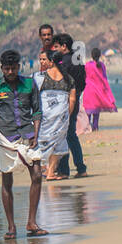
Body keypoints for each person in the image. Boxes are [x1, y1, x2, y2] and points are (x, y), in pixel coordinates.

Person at [0, 49, 45, 239]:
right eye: (7, 69)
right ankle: (11, 227)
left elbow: (37, 111)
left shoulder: (29, 83)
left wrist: (36, 133)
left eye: (13, 68)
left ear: (19, 67)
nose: (10, 72)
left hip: (28, 134)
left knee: (37, 175)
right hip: (5, 136)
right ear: (2, 68)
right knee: (6, 180)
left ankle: (31, 222)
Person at [50, 33, 87, 179]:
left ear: (64, 46)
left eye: (57, 46)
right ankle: (80, 167)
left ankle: (64, 171)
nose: (55, 49)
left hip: (66, 101)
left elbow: (60, 82)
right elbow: (83, 83)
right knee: (70, 134)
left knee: (65, 135)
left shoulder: (63, 63)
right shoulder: (78, 60)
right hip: (76, 98)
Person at [35, 50, 74, 181]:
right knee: (58, 142)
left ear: (51, 61)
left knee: (44, 140)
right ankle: (50, 171)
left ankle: (43, 168)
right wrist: (67, 114)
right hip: (62, 115)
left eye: (43, 60)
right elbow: (72, 99)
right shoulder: (68, 78)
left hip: (46, 115)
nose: (41, 62)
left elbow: (33, 97)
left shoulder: (40, 77)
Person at [83, 47, 118, 129]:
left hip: (89, 89)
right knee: (96, 110)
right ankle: (95, 127)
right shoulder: (102, 65)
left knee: (88, 110)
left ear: (91, 55)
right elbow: (104, 78)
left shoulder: (88, 65)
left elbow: (84, 76)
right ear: (99, 55)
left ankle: (88, 128)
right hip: (98, 90)